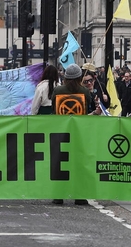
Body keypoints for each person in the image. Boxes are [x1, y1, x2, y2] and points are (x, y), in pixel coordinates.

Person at [50, 63, 91, 206]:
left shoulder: (58, 90)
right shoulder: (85, 92)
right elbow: (86, 110)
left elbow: (54, 108)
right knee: (79, 164)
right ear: (80, 77)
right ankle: (79, 196)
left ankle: (58, 196)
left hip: (61, 131)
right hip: (79, 133)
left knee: (59, 163)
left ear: (66, 77)